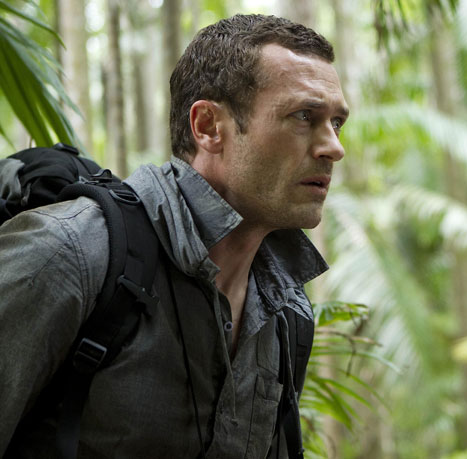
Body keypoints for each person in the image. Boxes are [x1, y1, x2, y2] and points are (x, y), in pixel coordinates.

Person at [0, 14, 348, 458]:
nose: (334, 147)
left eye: (337, 122)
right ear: (208, 127)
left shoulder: (287, 312)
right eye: (303, 116)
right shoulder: (67, 253)